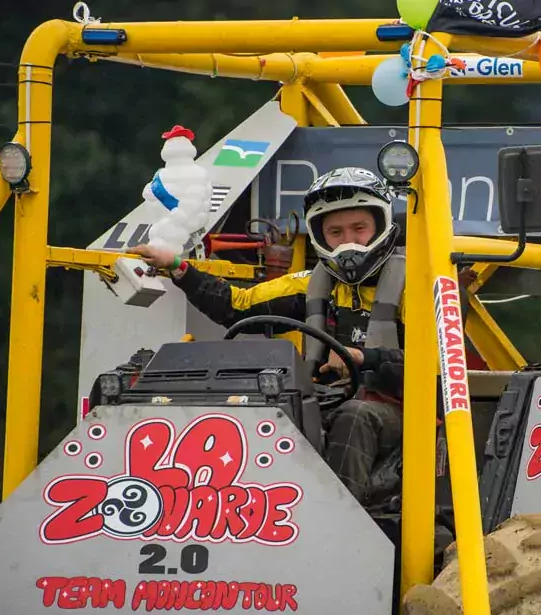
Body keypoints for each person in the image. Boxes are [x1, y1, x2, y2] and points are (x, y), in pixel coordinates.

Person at [129, 167, 405, 507]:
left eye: (358, 228)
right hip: (330, 397)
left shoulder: (418, 284)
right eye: (335, 231)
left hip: (405, 410)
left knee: (355, 416)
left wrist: (367, 358)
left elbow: (439, 369)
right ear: (321, 235)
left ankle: (334, 522)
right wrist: (176, 267)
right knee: (267, 405)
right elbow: (236, 305)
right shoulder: (312, 283)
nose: (347, 240)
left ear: (381, 224)